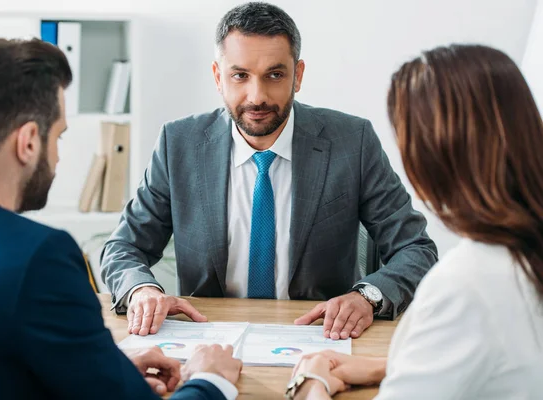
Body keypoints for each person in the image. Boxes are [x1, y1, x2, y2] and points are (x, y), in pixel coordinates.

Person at [101, 1, 438, 341]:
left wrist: (368, 296)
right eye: (240, 76)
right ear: (219, 77)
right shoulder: (179, 144)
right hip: (205, 336)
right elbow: (124, 248)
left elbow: (416, 248)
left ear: (298, 75)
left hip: (320, 337)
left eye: (275, 75)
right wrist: (142, 290)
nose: (257, 96)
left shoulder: (353, 141)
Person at [0, 37, 242, 400]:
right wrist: (211, 381)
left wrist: (100, 368)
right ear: (29, 142)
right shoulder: (36, 257)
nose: (57, 157)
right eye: (59, 137)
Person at [288, 44, 543, 399]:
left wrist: (309, 382)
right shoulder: (522, 254)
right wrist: (389, 365)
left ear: (429, 157)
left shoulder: (464, 287)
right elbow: (500, 359)